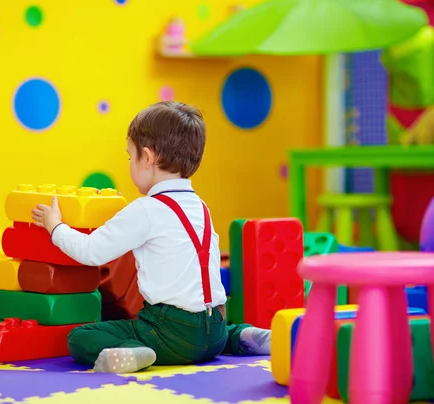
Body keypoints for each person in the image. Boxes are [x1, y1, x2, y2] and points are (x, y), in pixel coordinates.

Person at [32, 101, 271, 374]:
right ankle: (242, 336)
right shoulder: (200, 207)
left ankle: (137, 351)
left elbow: (91, 252)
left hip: (169, 333)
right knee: (212, 331)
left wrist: (55, 227)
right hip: (213, 330)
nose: (130, 164)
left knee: (80, 338)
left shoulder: (146, 208)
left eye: (129, 156)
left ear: (147, 157)